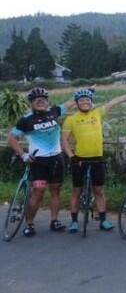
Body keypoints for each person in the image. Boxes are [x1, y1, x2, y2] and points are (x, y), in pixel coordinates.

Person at [62, 86, 126, 233]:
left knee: (99, 191)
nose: (85, 102)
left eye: (88, 100)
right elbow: (63, 140)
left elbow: (113, 102)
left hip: (97, 158)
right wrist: (71, 156)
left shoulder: (97, 113)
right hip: (79, 159)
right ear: (77, 103)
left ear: (91, 101)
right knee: (76, 191)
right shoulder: (70, 119)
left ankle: (103, 220)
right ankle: (74, 221)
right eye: (82, 100)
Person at [7, 87, 76, 237]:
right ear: (31, 103)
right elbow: (12, 139)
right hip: (39, 161)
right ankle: (29, 224)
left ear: (47, 101)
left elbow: (71, 103)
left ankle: (54, 220)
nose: (40, 102)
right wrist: (23, 155)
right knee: (38, 192)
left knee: (56, 190)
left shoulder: (54, 111)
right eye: (36, 100)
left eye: (43, 100)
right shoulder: (26, 120)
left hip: (57, 158)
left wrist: (86, 92)